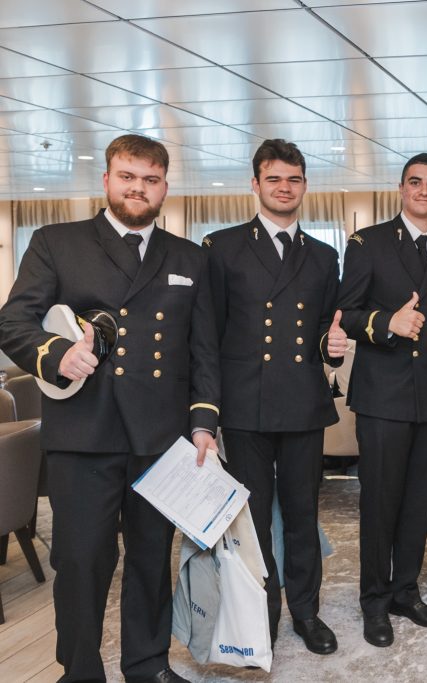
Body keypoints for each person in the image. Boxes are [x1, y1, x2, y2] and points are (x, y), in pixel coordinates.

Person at [0, 134, 219, 683]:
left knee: (150, 559)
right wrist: (56, 354)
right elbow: (13, 322)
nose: (137, 188)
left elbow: (203, 351)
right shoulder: (56, 242)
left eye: (150, 179)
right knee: (80, 562)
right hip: (83, 433)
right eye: (127, 176)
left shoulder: (190, 257)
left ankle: (146, 666)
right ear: (106, 180)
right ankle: (79, 671)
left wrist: (203, 422)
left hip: (160, 439)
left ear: (164, 187)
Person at [203, 139, 348, 655]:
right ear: (255, 184)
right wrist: (207, 412)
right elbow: (208, 336)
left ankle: (306, 612)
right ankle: (259, 613)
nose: (284, 188)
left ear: (305, 185)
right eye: (274, 179)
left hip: (304, 404)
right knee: (254, 518)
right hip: (245, 407)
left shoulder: (324, 256)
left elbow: (325, 331)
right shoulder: (221, 248)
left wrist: (333, 348)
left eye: (293, 179)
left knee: (304, 515)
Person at [338, 153, 427, 647]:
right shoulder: (367, 243)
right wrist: (387, 323)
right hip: (382, 397)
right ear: (401, 188)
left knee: (418, 502)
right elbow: (346, 313)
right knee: (380, 503)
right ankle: (374, 600)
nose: (424, 191)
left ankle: (405, 591)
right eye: (415, 182)